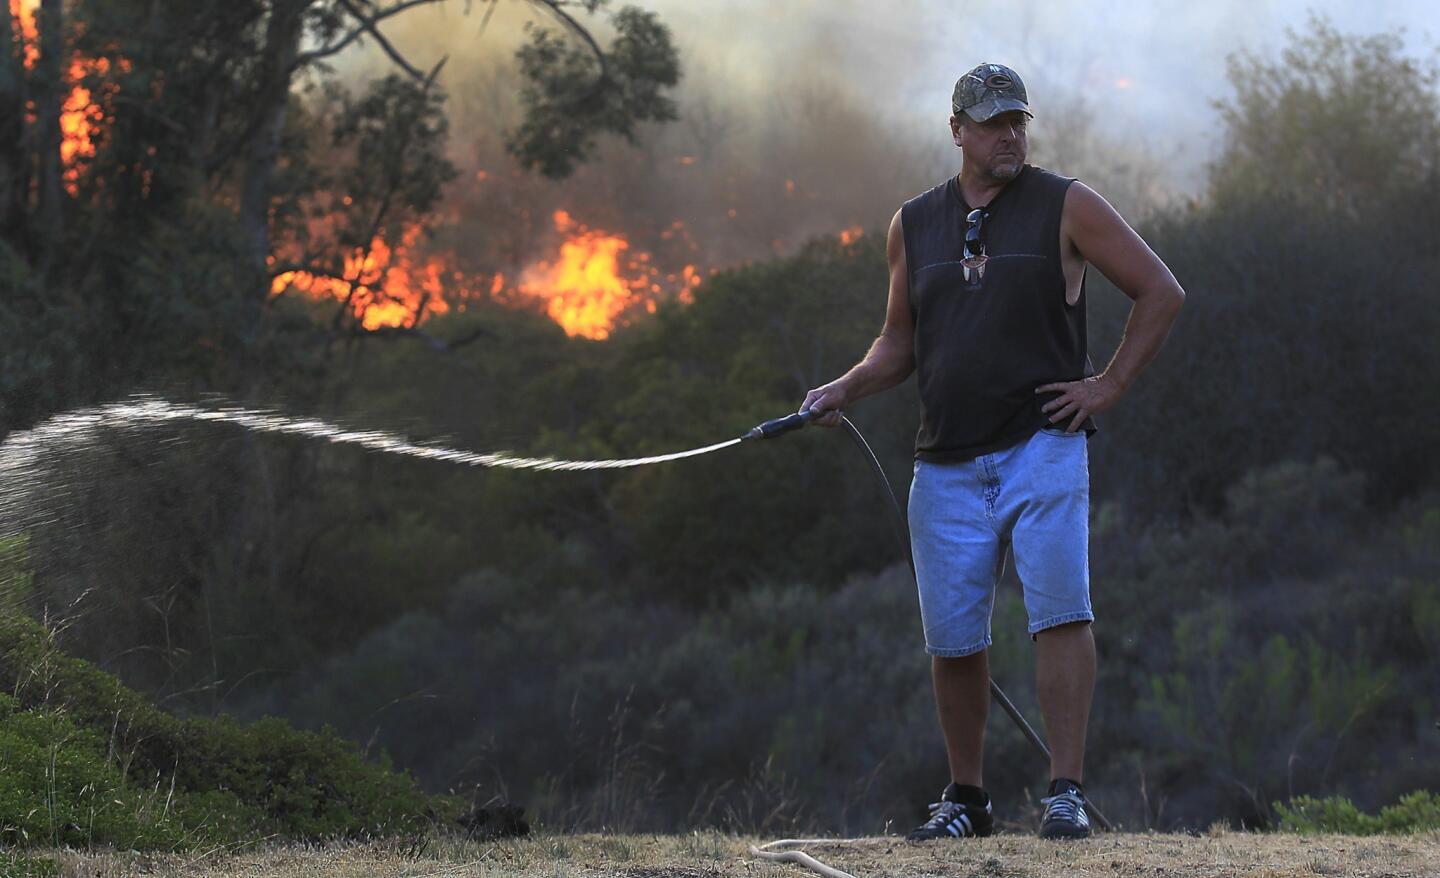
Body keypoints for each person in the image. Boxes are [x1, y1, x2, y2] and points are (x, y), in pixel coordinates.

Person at [801, 62, 1184, 841]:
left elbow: (1161, 289)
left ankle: (1065, 793)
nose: (1010, 133)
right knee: (953, 636)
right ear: (958, 131)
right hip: (942, 460)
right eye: (992, 121)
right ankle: (966, 801)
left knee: (1061, 614)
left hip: (1043, 445)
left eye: (1018, 120)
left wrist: (1105, 387)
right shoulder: (912, 223)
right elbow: (897, 342)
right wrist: (844, 387)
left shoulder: (1066, 203)